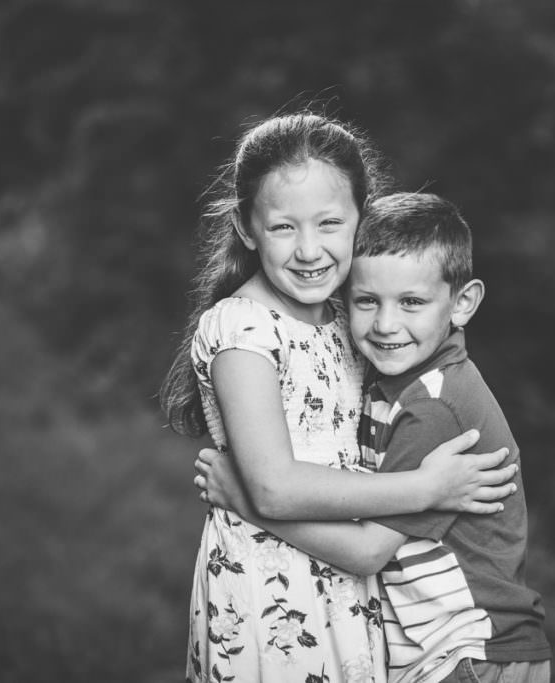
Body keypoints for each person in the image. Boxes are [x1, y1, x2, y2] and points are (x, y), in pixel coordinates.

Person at [160, 113, 519, 683]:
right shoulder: (243, 330)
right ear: (247, 228)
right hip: (272, 592)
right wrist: (426, 488)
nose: (309, 250)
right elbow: (274, 487)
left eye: (330, 223)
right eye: (283, 228)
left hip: (355, 589)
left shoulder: (352, 318)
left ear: (362, 217)